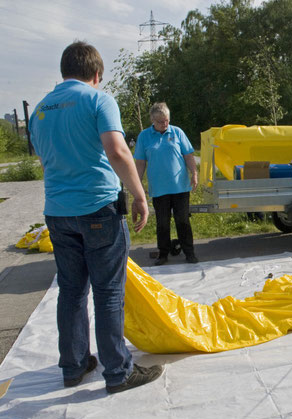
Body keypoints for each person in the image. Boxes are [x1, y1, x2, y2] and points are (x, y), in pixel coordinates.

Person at [29, 41, 164, 394]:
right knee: (107, 293)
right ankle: (118, 372)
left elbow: (45, 163)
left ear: (64, 71)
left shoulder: (40, 110)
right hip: (98, 208)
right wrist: (139, 194)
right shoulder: (97, 100)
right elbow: (117, 150)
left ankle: (73, 365)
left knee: (71, 291)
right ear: (97, 74)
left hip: (58, 212)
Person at [134, 102, 199, 266]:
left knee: (182, 220)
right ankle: (163, 253)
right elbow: (140, 162)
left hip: (180, 187)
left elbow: (189, 155)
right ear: (153, 120)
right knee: (162, 222)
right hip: (159, 188)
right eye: (161, 121)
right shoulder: (144, 136)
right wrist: (137, 184)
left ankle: (189, 252)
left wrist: (194, 173)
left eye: (167, 120)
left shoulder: (177, 132)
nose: (165, 124)